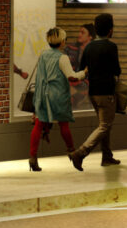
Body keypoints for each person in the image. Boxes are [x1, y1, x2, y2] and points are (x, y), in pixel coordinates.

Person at [11, 26, 81, 170]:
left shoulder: (43, 55)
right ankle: (72, 153)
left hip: (42, 94)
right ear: (61, 41)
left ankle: (33, 158)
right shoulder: (63, 57)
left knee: (38, 125)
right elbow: (72, 76)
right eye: (64, 39)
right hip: (58, 96)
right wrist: (84, 73)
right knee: (64, 125)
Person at [65, 12, 121, 169]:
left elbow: (83, 68)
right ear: (110, 30)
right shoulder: (111, 47)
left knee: (104, 125)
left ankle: (107, 156)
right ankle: (80, 153)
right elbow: (117, 70)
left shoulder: (89, 47)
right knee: (104, 126)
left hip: (93, 92)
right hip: (107, 92)